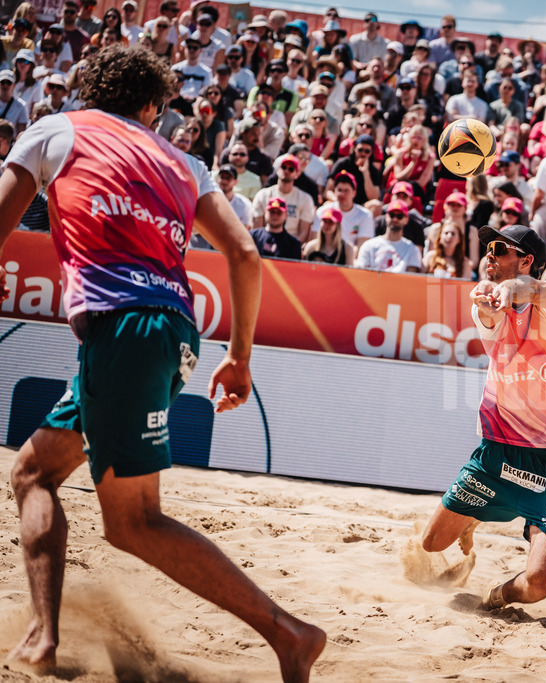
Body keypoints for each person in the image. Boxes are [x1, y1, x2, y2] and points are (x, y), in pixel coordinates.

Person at [0, 46, 325, 680]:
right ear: (153, 106)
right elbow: (245, 255)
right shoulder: (186, 162)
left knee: (134, 522)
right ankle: (43, 638)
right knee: (34, 472)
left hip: (122, 329)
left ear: (92, 91)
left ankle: (289, 634)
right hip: (174, 329)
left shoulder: (57, 129)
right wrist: (239, 358)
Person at [420, 224, 546, 611]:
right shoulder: (489, 305)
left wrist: (510, 288)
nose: (489, 254)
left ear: (527, 261)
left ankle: (496, 595)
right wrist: (488, 301)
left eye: (499, 248)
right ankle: (474, 517)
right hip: (499, 452)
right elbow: (490, 311)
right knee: (431, 543)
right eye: (487, 248)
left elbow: (533, 291)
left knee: (537, 586)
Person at [355, 200, 422, 272]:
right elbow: (363, 273)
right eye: (392, 215)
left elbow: (411, 276)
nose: (395, 219)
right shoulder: (369, 245)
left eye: (399, 216)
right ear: (386, 216)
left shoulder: (412, 249)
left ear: (406, 219)